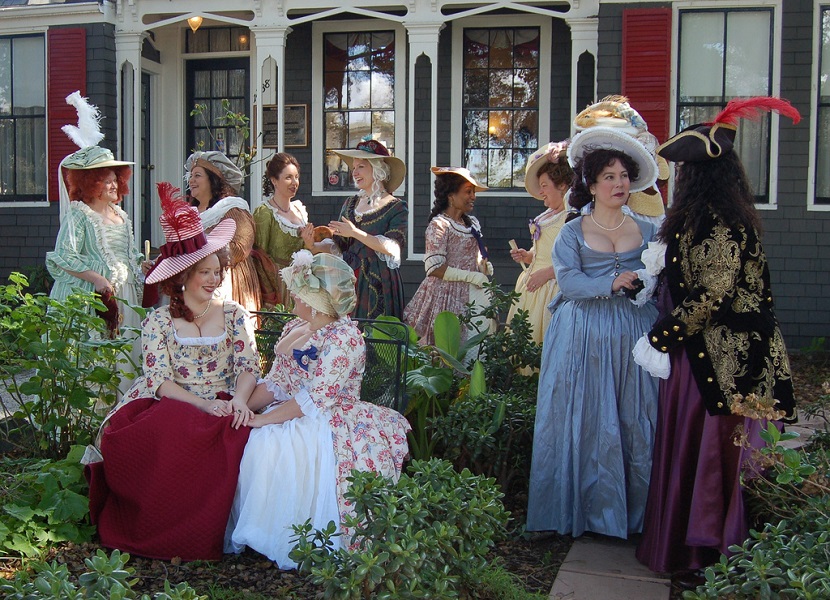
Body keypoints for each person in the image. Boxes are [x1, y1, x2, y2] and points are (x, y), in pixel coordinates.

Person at [634, 97, 799, 575]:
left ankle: (710, 553)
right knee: (703, 450)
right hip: (710, 356)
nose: (677, 179)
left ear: (698, 176)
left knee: (715, 452)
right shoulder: (709, 218)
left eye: (682, 172)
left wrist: (661, 337)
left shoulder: (717, 221)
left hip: (726, 362)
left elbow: (713, 294)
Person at [85, 182, 260, 561]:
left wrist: (240, 401)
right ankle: (163, 532)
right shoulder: (159, 322)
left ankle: (210, 532)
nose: (216, 280)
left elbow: (248, 365)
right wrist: (202, 404)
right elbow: (160, 382)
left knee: (230, 432)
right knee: (171, 428)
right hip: (175, 398)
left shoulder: (233, 315)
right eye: (207, 273)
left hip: (226, 397)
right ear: (183, 278)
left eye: (219, 271)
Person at [225, 250, 410, 567]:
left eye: (298, 291)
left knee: (270, 445)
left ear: (314, 299)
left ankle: (288, 537)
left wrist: (263, 421)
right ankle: (263, 532)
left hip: (327, 419)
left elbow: (314, 399)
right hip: (293, 406)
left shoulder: (344, 339)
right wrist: (238, 406)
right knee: (252, 439)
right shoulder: (298, 327)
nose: (292, 296)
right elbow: (277, 382)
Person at [526, 120, 661, 539]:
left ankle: (634, 514)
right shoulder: (572, 230)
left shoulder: (651, 228)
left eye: (624, 176)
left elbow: (663, 276)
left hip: (634, 333)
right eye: (609, 177)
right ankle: (585, 511)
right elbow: (568, 283)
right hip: (582, 333)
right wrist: (611, 282)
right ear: (593, 182)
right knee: (585, 417)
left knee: (633, 419)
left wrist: (647, 281)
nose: (618, 184)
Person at [46, 92, 147, 336]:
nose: (114, 186)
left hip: (124, 293)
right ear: (89, 183)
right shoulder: (79, 215)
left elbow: (127, 252)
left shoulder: (120, 215)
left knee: (124, 358)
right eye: (106, 182)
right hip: (90, 297)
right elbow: (64, 256)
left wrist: (142, 262)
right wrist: (96, 279)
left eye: (116, 180)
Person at [403, 167, 494, 345]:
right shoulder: (440, 225)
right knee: (446, 347)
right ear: (451, 196)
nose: (473, 197)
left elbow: (475, 255)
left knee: (475, 346)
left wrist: (482, 266)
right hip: (445, 295)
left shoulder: (472, 223)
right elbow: (434, 268)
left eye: (474, 192)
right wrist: (469, 275)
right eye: (468, 192)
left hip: (473, 293)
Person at [328, 139, 407, 319]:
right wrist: (315, 244)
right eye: (354, 167)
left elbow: (393, 247)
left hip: (380, 282)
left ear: (377, 169)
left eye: (361, 167)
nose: (354, 172)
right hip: (350, 279)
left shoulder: (396, 208)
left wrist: (355, 233)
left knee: (378, 337)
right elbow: (338, 245)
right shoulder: (350, 204)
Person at [507, 142, 574, 345]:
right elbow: (544, 249)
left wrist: (547, 273)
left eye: (545, 186)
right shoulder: (550, 214)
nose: (541, 192)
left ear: (562, 185)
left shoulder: (572, 216)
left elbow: (577, 258)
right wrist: (528, 255)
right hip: (532, 286)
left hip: (553, 287)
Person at [185, 150, 262, 312]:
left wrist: (202, 254)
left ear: (213, 180)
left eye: (197, 175)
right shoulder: (188, 213)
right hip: (192, 283)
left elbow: (240, 247)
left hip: (226, 283)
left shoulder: (233, 208)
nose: (191, 180)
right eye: (190, 176)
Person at [253, 153, 331, 309]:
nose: (294, 182)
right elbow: (258, 258)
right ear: (274, 180)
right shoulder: (265, 212)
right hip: (279, 286)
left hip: (304, 281)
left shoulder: (299, 209)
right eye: (288, 177)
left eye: (296, 177)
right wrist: (271, 294)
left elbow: (307, 248)